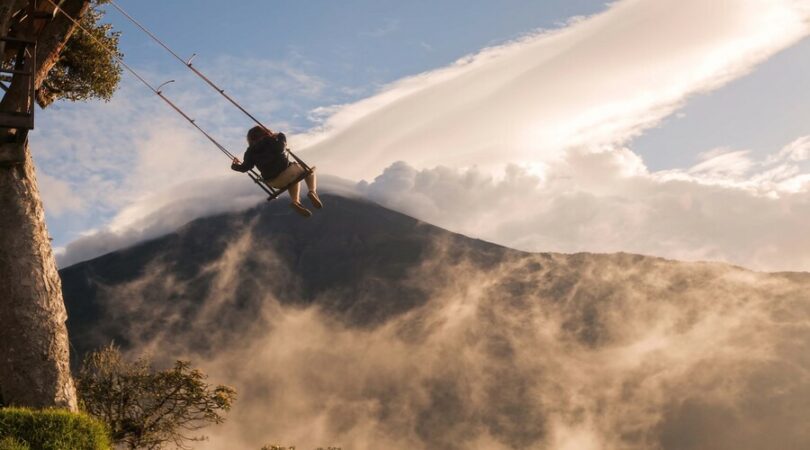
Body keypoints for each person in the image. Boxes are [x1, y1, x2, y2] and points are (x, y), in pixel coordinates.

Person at [231, 126, 322, 217]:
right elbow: (282, 147)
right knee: (308, 171)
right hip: (289, 172)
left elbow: (244, 168)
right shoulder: (270, 140)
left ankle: (295, 202)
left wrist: (234, 165)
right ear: (265, 133)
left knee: (292, 181)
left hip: (273, 182)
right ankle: (312, 191)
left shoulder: (250, 152)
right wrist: (280, 135)